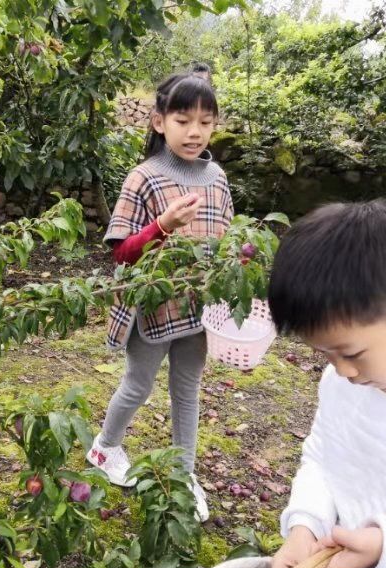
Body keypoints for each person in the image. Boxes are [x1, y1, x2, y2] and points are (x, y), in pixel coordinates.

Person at [192, 201, 386, 568]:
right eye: (324, 354)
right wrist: (304, 527)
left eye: (352, 353)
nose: (341, 370)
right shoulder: (343, 383)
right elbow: (324, 460)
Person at [85, 72, 234, 523]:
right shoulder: (144, 178)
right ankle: (105, 448)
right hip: (152, 306)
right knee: (138, 383)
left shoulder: (217, 177)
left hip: (199, 307)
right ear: (158, 121)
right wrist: (163, 226)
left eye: (205, 122)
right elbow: (123, 252)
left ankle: (183, 475)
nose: (195, 132)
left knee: (187, 389)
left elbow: (228, 242)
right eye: (183, 119)